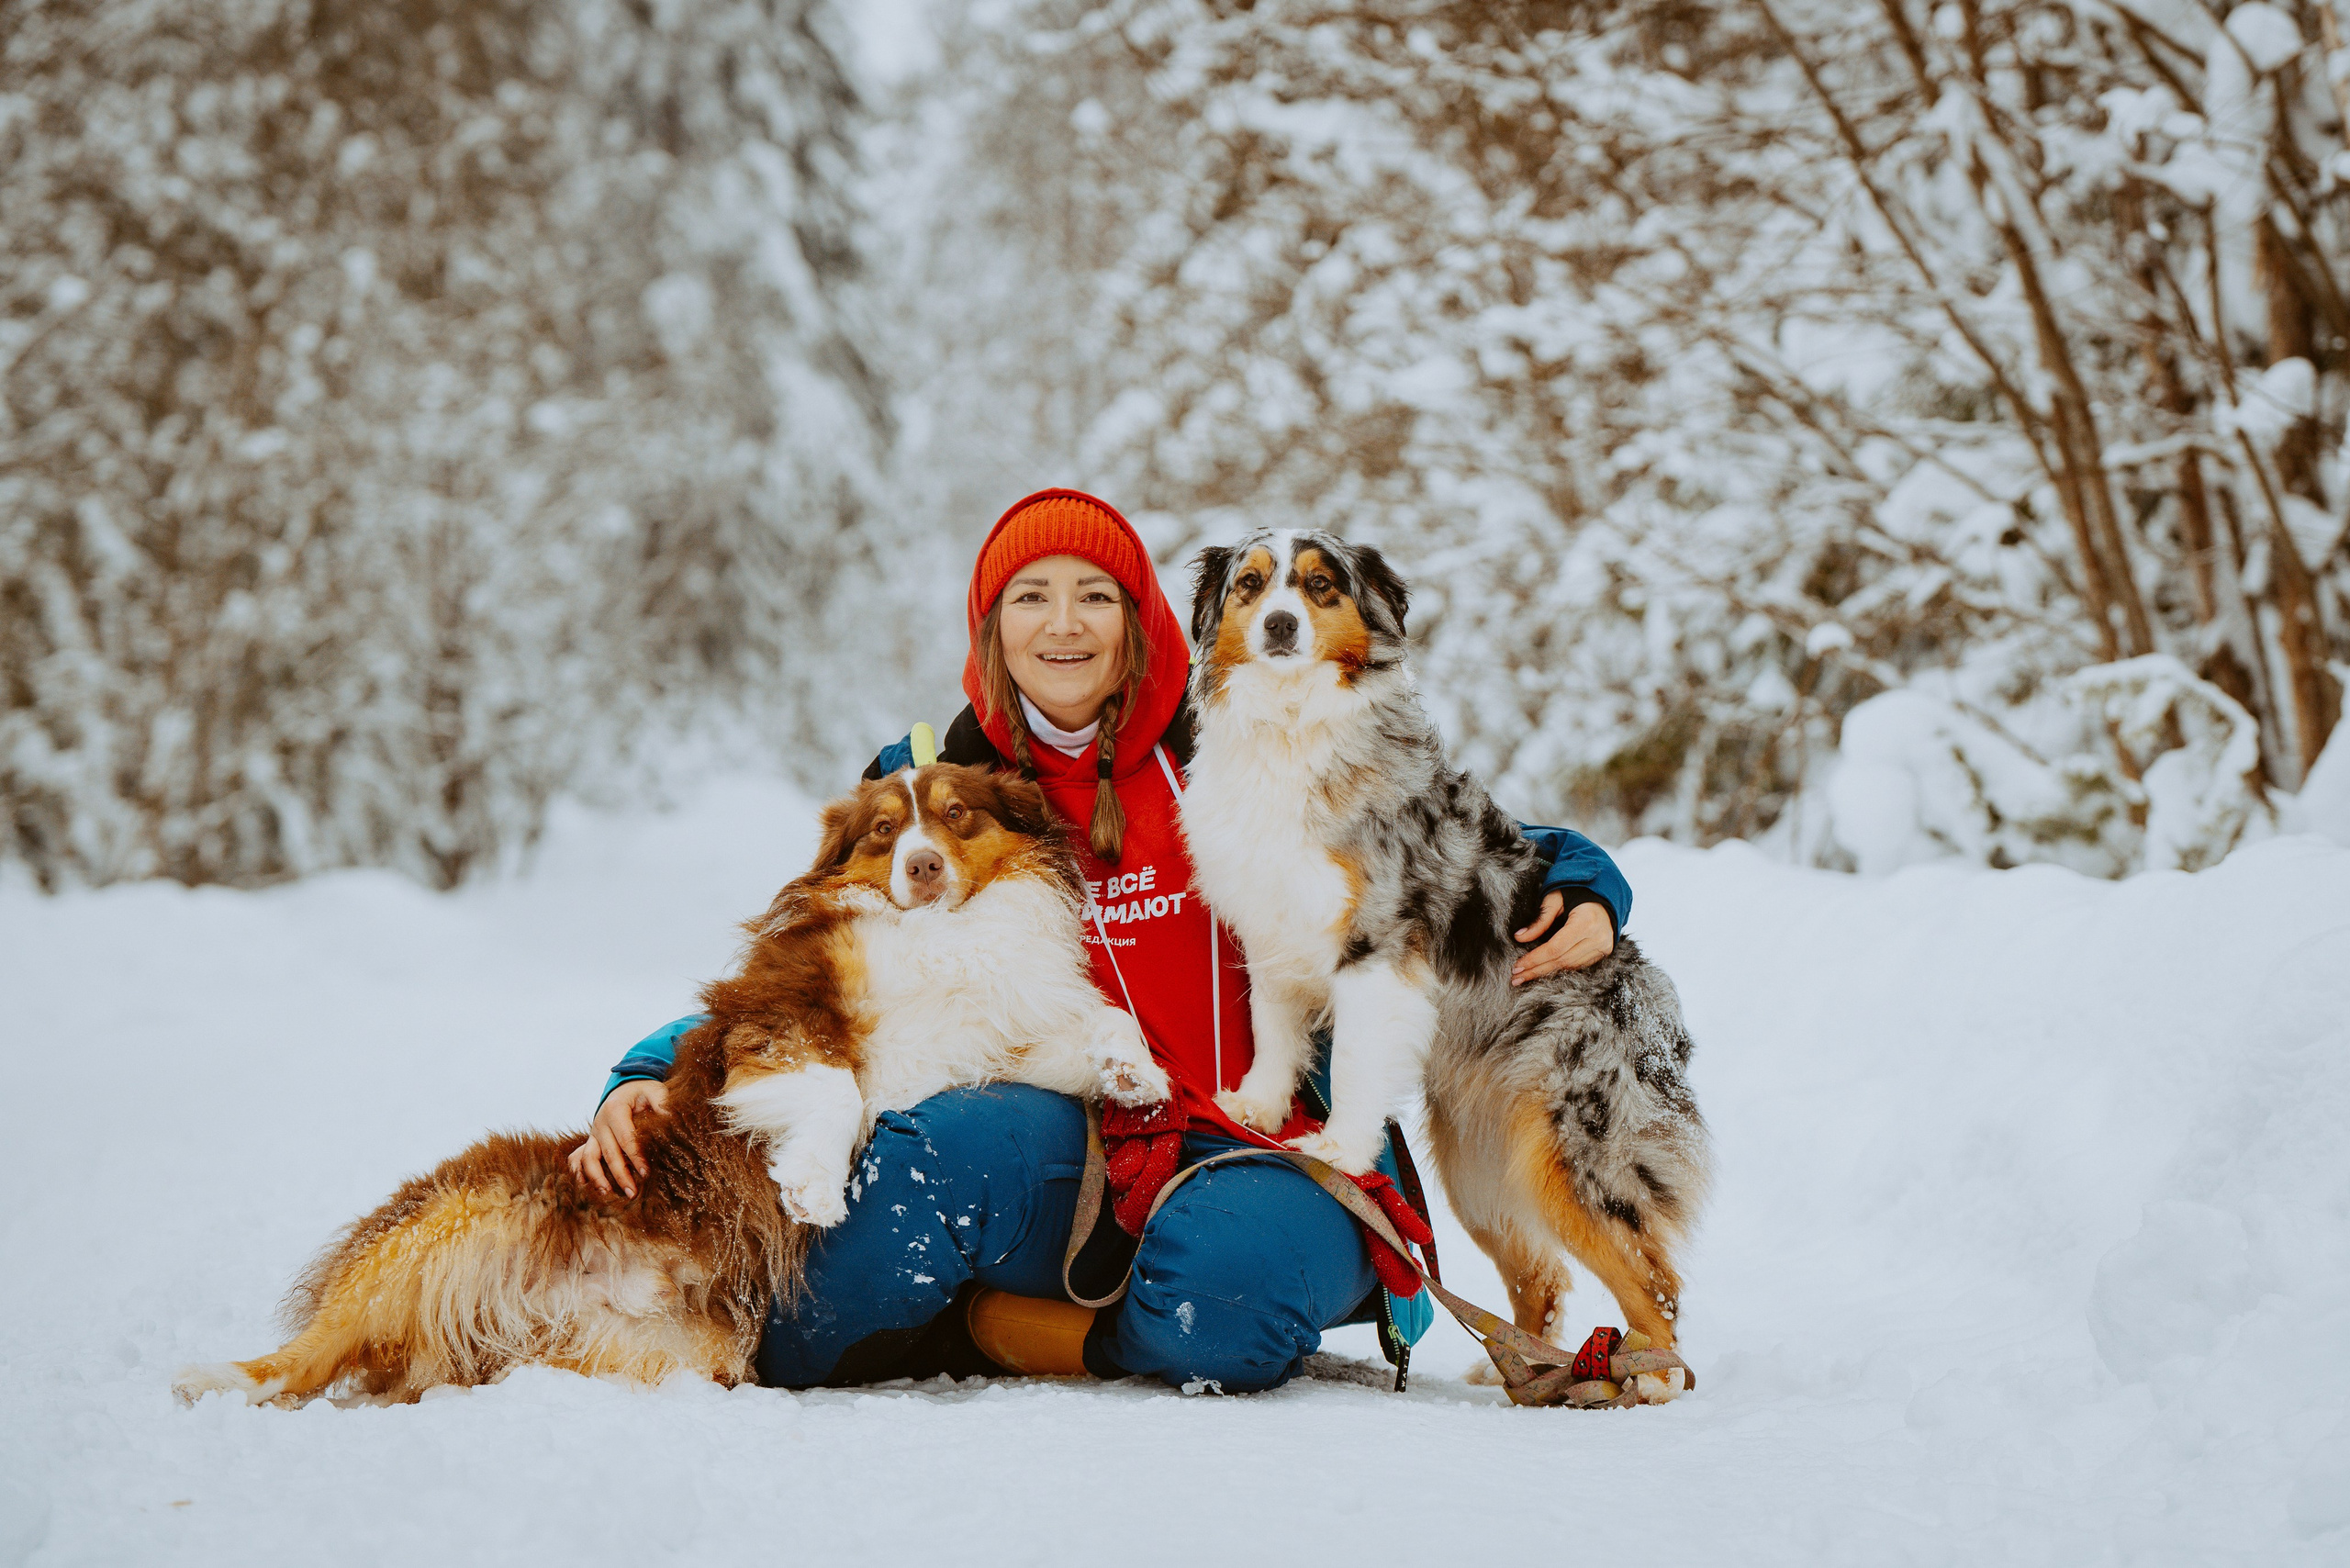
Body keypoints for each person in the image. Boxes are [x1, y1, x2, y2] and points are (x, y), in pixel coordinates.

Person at [567, 488, 1633, 1393]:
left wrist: (1583, 885)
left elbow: (1443, 831)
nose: (1063, 623)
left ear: (1140, 619)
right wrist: (653, 1067)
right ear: (992, 626)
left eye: (1095, 595)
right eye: (1030, 596)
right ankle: (680, 1342)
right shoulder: (946, 779)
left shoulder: (1236, 732)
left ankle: (1013, 1327)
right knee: (898, 1189)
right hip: (1060, 1135)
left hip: (1270, 1134)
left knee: (1227, 1295)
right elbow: (815, 952)